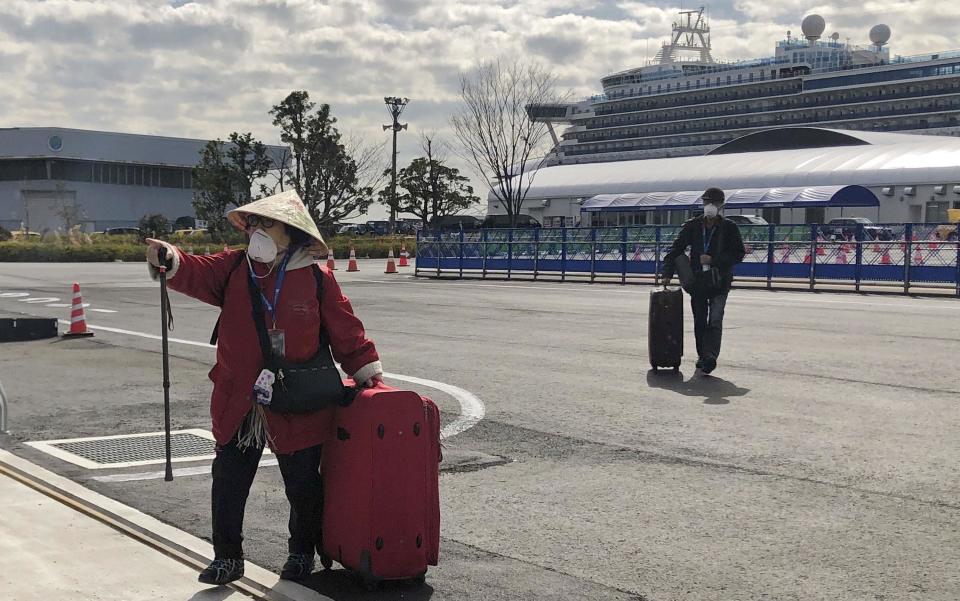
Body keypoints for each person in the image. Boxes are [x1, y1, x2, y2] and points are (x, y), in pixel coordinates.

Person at [145, 190, 383, 585]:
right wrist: (170, 257)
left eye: (266, 224)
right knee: (229, 482)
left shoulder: (317, 280)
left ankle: (301, 552)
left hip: (296, 399)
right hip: (240, 397)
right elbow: (194, 270)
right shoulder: (234, 267)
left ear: (290, 232)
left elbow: (346, 331)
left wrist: (365, 370)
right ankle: (227, 557)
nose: (256, 231)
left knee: (304, 484)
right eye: (253, 224)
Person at [661, 187, 746, 374]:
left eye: (714, 203)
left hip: (720, 282)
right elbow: (675, 250)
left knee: (715, 320)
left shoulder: (730, 228)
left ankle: (711, 356)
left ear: (722, 205)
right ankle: (702, 355)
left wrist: (714, 260)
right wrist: (667, 273)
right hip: (698, 283)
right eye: (707, 202)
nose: (710, 206)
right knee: (700, 320)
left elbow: (738, 254)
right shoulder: (692, 226)